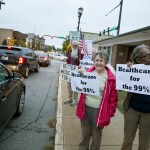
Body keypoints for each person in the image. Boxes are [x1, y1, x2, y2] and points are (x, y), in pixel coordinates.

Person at [76, 51, 118, 150]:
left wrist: (110, 112)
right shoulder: (88, 72)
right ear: (93, 61)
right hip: (85, 107)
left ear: (106, 62)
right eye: (96, 60)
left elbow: (113, 98)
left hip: (100, 110)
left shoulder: (110, 78)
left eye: (101, 60)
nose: (98, 63)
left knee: (96, 134)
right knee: (85, 132)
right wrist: (80, 74)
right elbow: (81, 86)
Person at [121, 44, 150, 150]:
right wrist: (127, 70)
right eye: (147, 55)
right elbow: (121, 84)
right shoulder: (133, 69)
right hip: (132, 109)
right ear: (138, 59)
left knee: (145, 143)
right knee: (127, 140)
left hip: (148, 113)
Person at [64, 40, 84, 106]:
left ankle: (75, 100)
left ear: (78, 46)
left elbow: (83, 62)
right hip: (70, 71)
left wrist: (80, 66)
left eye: (75, 45)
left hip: (77, 72)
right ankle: (69, 98)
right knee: (69, 86)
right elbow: (68, 59)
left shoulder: (81, 52)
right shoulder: (70, 51)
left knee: (75, 85)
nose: (74, 46)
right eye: (73, 45)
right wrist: (66, 62)